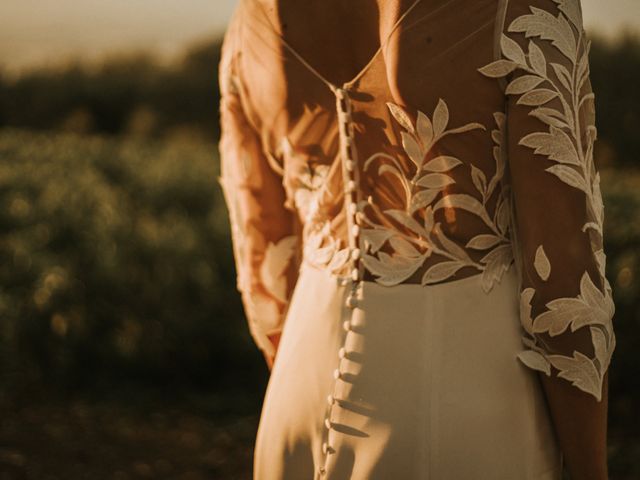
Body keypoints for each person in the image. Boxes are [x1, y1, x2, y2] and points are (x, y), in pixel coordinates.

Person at [217, 0, 615, 478]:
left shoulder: (250, 19)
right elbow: (566, 286)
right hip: (470, 411)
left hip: (295, 395)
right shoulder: (522, 9)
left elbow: (263, 259)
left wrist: (299, 369)